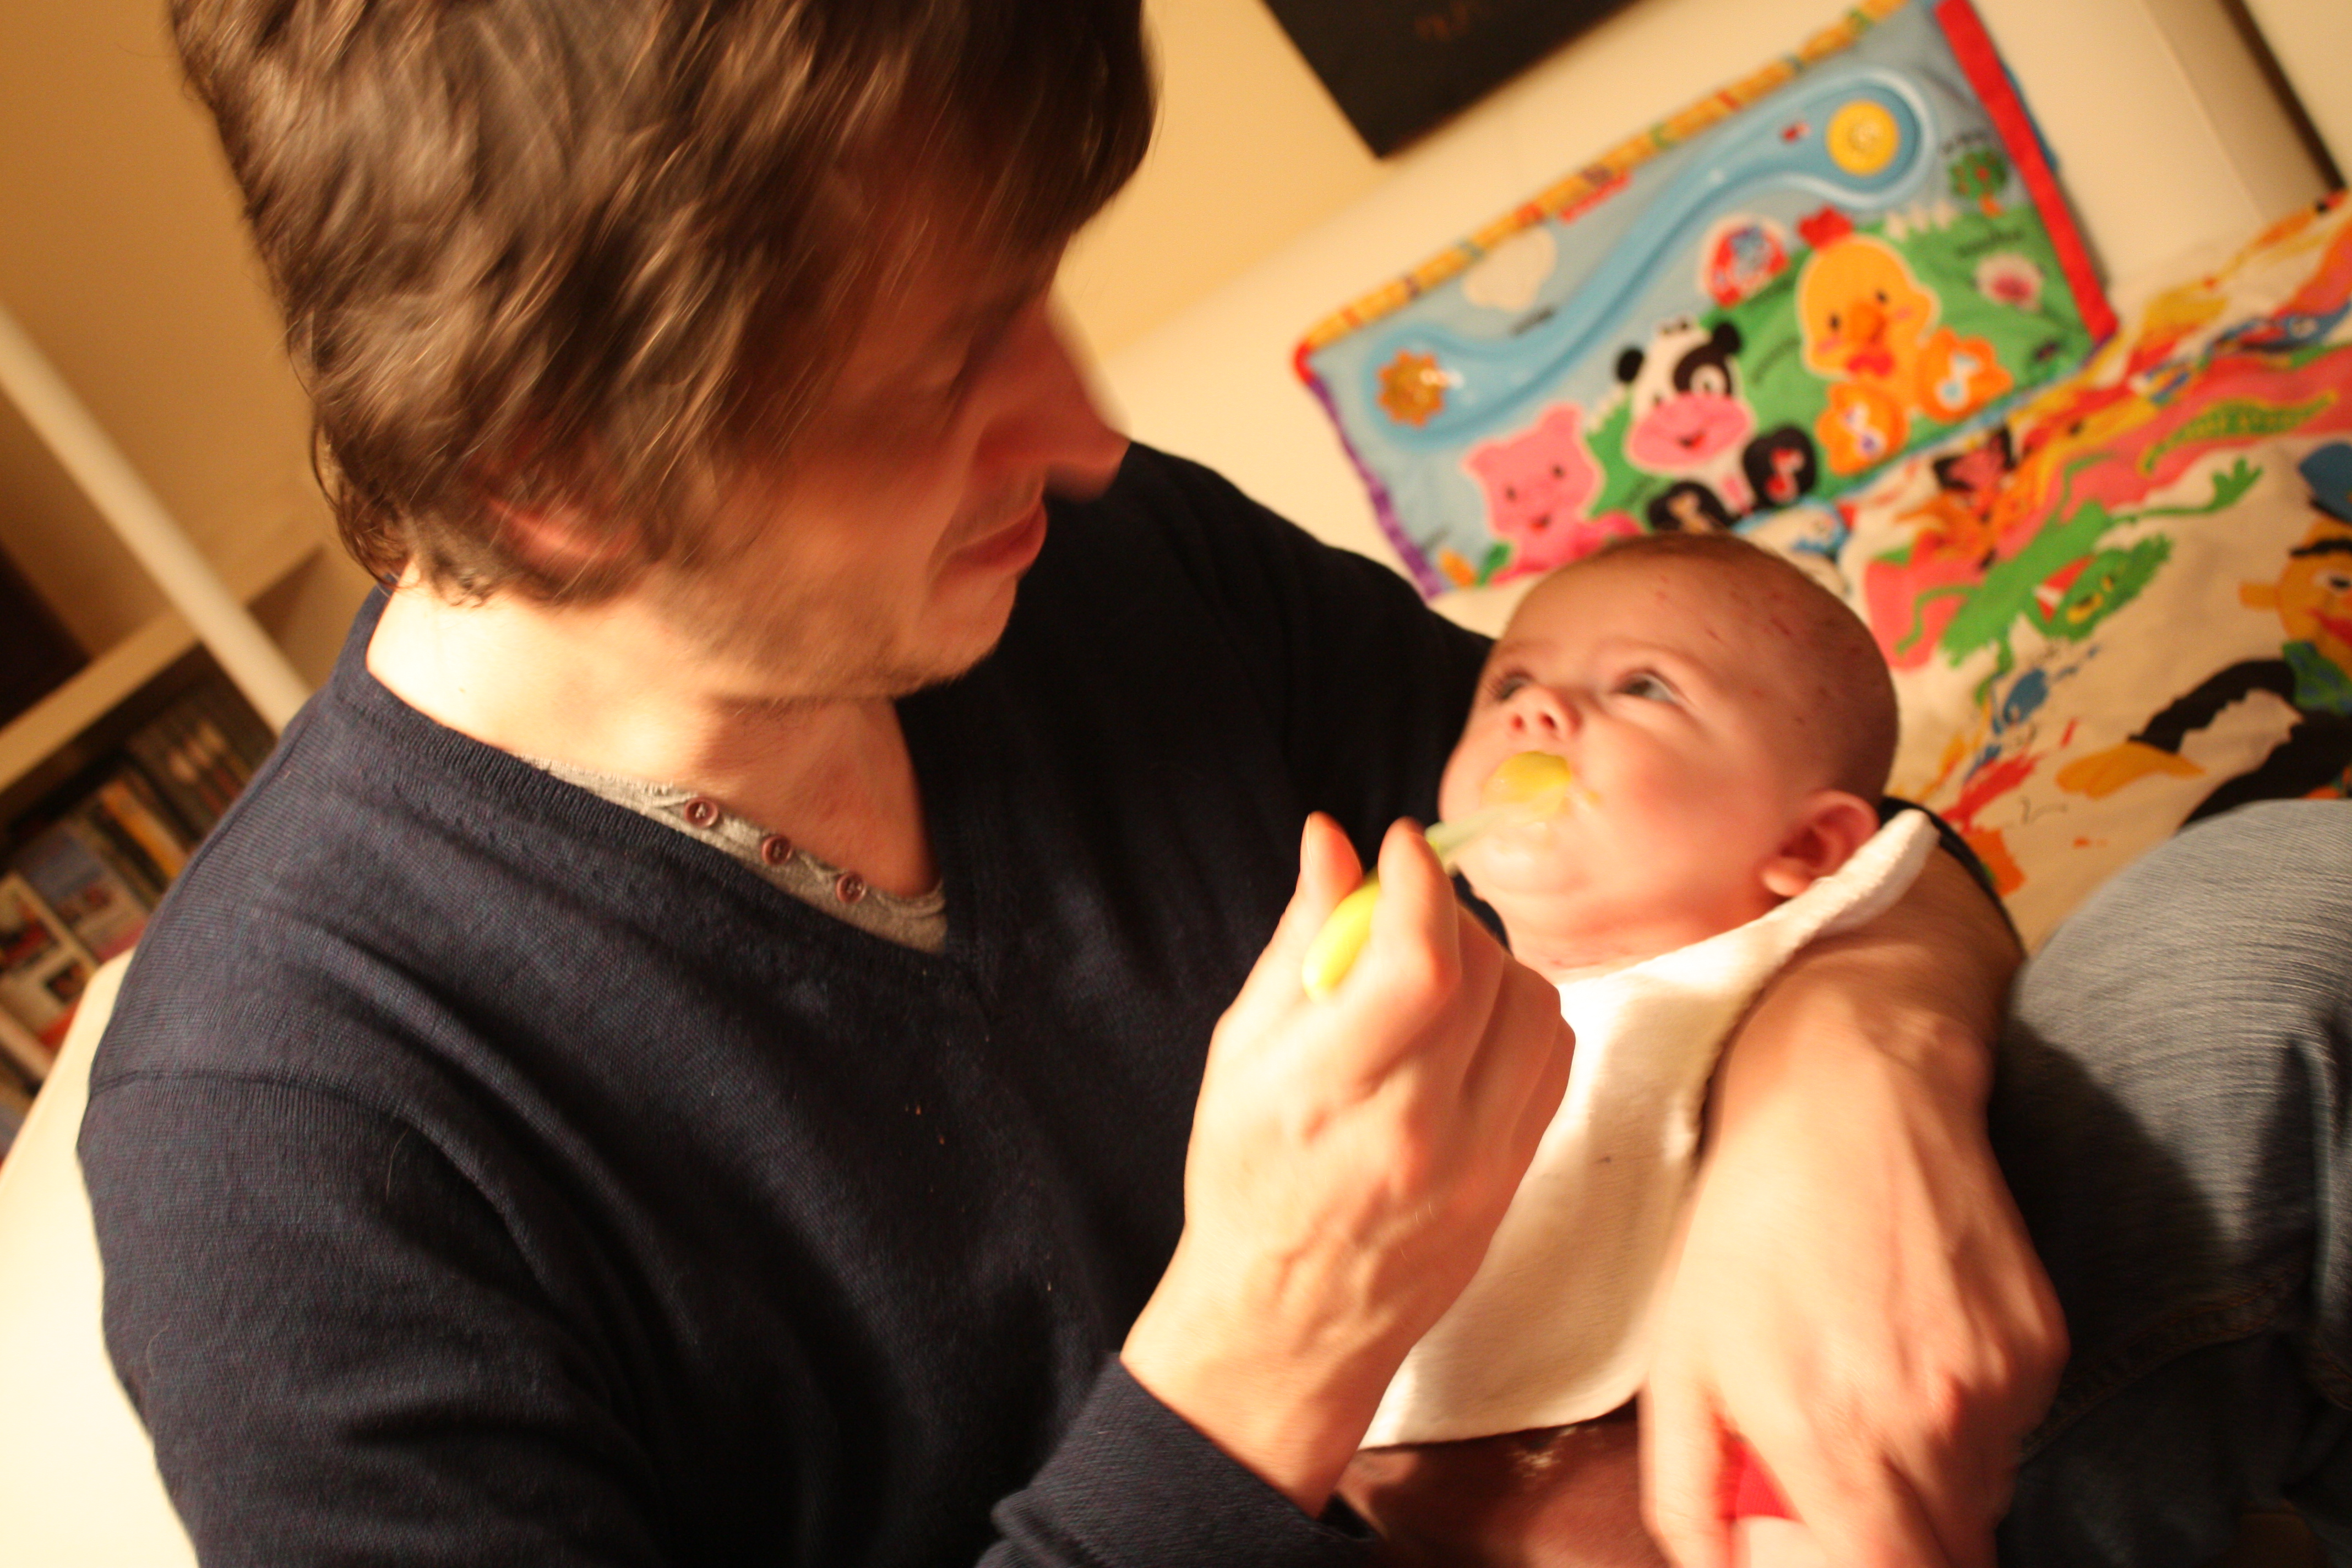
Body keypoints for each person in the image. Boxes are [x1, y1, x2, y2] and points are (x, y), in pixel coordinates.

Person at [81, 1, 2143, 1565]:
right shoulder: (287, 1138)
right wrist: (1261, 1350)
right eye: (943, 368)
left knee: (2252, 945)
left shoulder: (1093, 561)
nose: (1082, 430)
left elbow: (1791, 840)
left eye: (1035, 287)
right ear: (554, 478)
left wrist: (1847, 1074)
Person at [1342, 534, 1919, 1568]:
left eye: (1644, 687)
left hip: (1733, 1431)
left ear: (1805, 847)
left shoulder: (1784, 996)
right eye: (1510, 682)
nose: (1536, 711)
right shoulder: (1419, 997)